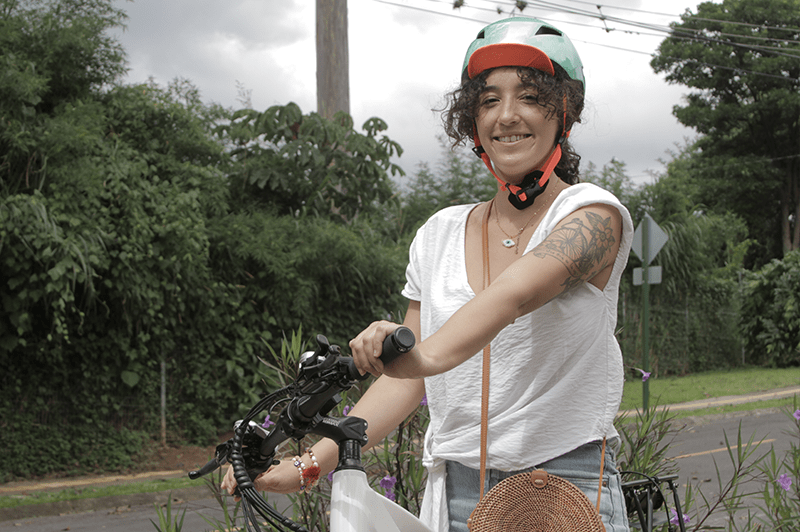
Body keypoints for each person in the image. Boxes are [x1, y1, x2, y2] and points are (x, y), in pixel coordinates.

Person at [223, 15, 633, 532]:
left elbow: (513, 294)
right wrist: (310, 464)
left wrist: (421, 353)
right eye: (488, 101)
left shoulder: (593, 216)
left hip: (565, 489)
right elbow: (405, 384)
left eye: (529, 96)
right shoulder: (438, 234)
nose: (506, 116)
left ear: (563, 111)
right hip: (456, 494)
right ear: (472, 121)